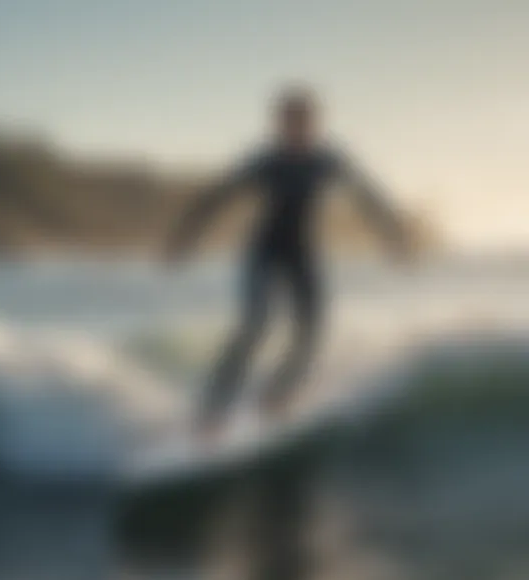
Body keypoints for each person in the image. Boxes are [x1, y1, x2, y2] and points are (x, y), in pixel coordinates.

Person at [164, 87, 409, 440]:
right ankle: (212, 414)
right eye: (288, 121)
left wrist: (393, 236)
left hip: (302, 255)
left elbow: (368, 196)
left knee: (311, 334)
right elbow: (217, 197)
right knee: (256, 325)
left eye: (303, 121)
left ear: (315, 123)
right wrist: (184, 240)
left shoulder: (328, 161)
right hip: (264, 252)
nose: (295, 128)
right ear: (278, 125)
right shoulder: (266, 162)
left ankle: (273, 400)